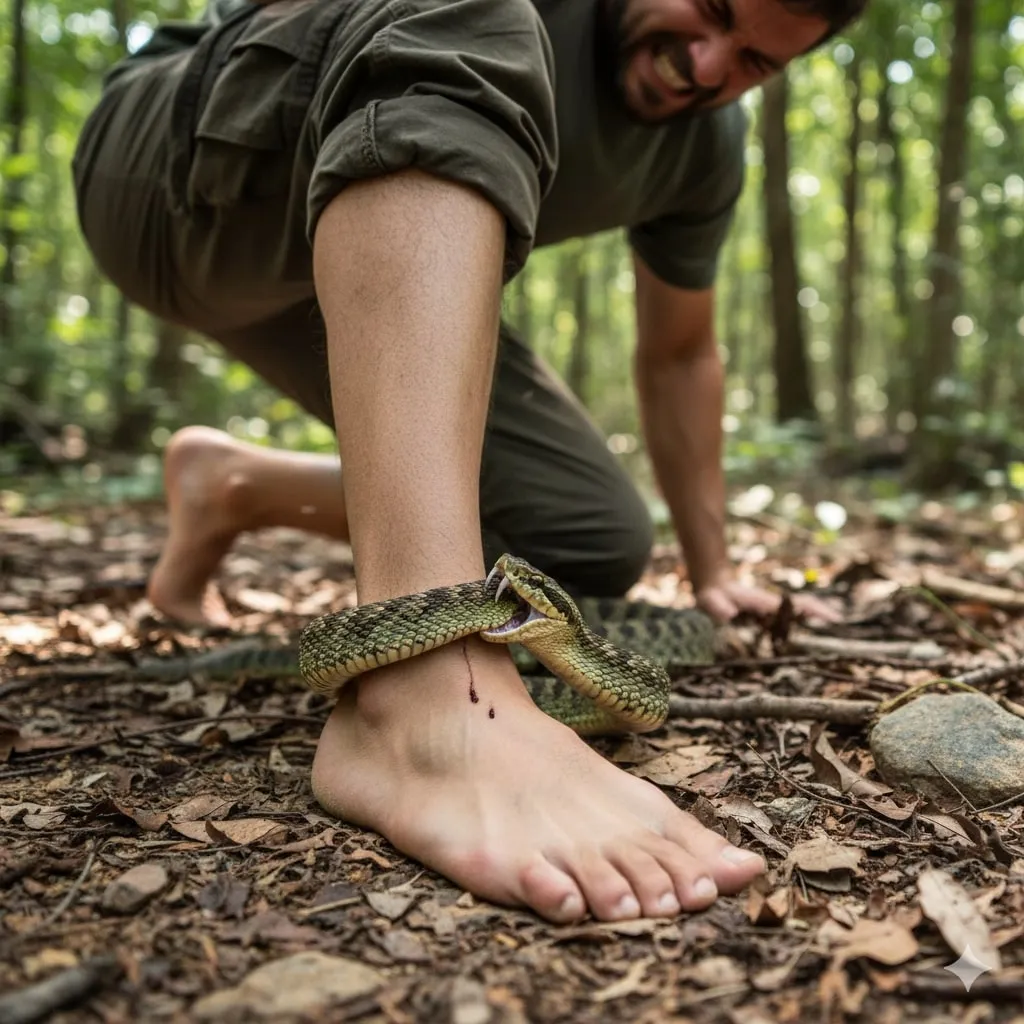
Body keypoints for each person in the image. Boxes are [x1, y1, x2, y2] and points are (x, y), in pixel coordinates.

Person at [73, 0, 865, 924]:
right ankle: (427, 701)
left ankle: (235, 486)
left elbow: (681, 352)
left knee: (591, 534)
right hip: (179, 176)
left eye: (754, 62)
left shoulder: (705, 150)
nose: (706, 64)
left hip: (355, 256)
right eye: (711, 9)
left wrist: (713, 569)